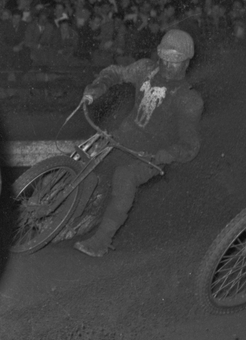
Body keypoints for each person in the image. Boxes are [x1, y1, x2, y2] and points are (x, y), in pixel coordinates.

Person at [74, 28, 204, 257]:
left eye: (174, 61)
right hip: (123, 136)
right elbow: (115, 72)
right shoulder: (145, 69)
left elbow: (190, 146)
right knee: (82, 159)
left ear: (186, 63)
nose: (166, 65)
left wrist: (168, 154)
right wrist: (99, 87)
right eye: (163, 58)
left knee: (125, 178)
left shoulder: (188, 99)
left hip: (150, 154)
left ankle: (101, 241)